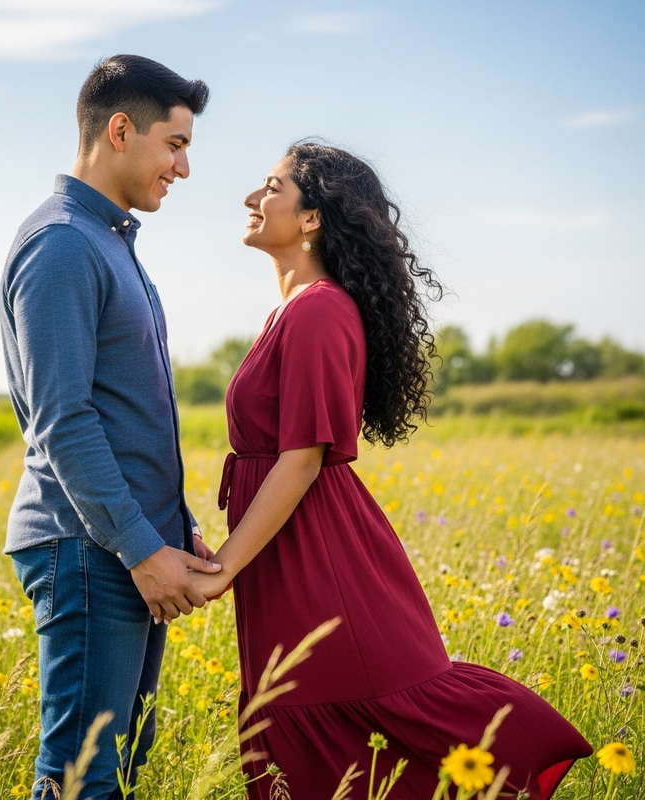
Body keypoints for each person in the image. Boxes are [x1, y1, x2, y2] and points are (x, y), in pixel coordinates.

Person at [190, 141, 593, 799]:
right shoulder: (292, 311)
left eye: (270, 186)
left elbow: (301, 459)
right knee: (299, 725)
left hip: (319, 558)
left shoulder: (318, 308)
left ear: (314, 216)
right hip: (293, 551)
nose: (251, 198)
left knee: (344, 723)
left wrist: (225, 566)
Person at [0, 54, 221, 800]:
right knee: (79, 780)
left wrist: (172, 526)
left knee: (119, 767)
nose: (183, 168)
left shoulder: (109, 241)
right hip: (91, 549)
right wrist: (138, 545)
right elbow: (64, 420)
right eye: (176, 144)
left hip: (126, 545)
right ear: (120, 131)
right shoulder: (61, 244)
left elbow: (131, 414)